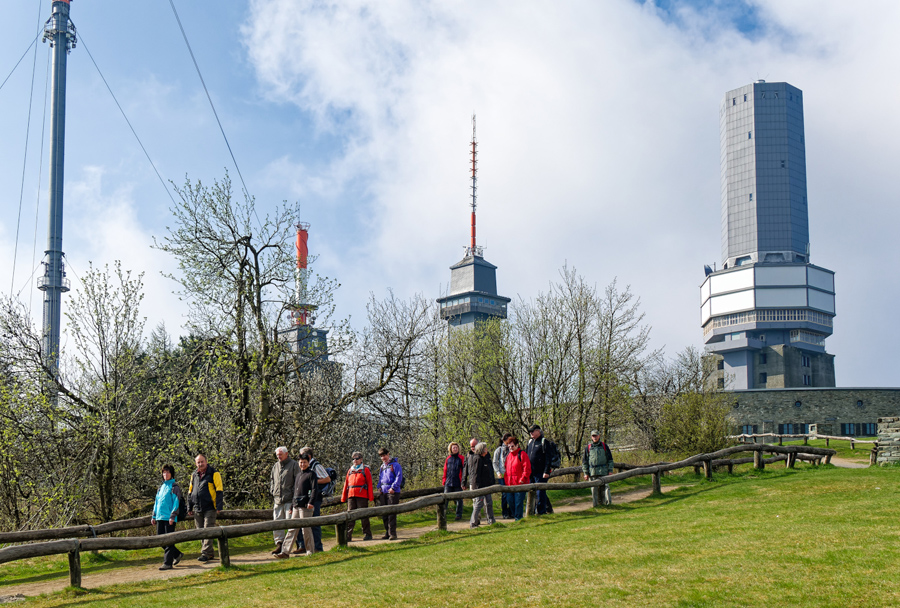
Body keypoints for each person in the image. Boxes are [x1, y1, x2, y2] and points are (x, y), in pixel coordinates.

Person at [274, 453, 320, 558]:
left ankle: (310, 551)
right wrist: (292, 506)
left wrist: (311, 502)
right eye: (301, 462)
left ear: (308, 463)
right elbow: (295, 491)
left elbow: (314, 489)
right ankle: (285, 552)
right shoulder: (299, 475)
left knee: (306, 529)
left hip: (306, 506)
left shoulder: (311, 474)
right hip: (296, 505)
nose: (302, 464)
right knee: (292, 529)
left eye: (304, 462)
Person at [187, 454, 224, 562]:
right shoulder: (194, 474)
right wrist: (189, 507)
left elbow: (219, 490)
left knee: (208, 530)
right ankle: (209, 553)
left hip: (210, 507)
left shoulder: (214, 473)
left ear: (206, 461)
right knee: (200, 532)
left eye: (202, 461)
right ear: (195, 463)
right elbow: (190, 491)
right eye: (198, 462)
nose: (200, 464)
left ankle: (206, 553)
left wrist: (218, 506)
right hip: (197, 507)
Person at [151, 464, 185, 570]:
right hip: (160, 517)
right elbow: (157, 503)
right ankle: (177, 554)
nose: (165, 474)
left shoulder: (174, 487)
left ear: (172, 474)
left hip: (169, 518)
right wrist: (154, 515)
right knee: (160, 539)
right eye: (164, 472)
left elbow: (176, 502)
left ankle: (167, 563)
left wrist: (172, 516)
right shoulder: (160, 488)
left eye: (168, 472)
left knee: (169, 540)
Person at [299, 446, 331, 553]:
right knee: (304, 523)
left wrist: (313, 482)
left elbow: (327, 478)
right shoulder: (305, 466)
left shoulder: (316, 466)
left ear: (308, 456)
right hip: (306, 498)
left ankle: (318, 547)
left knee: (315, 522)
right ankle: (305, 546)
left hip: (315, 498)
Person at [270, 446, 300, 555]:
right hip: (277, 499)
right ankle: (279, 544)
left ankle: (291, 545)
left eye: (280, 454)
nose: (278, 456)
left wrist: (294, 495)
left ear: (286, 454)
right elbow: (272, 480)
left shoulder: (294, 465)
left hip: (289, 500)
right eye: (277, 455)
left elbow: (298, 480)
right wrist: (273, 491)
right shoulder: (275, 466)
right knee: (277, 522)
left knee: (290, 522)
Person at [341, 451, 374, 542]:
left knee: (364, 515)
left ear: (361, 459)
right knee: (350, 516)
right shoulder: (350, 470)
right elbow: (346, 484)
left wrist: (371, 497)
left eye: (357, 458)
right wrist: (343, 497)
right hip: (351, 495)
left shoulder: (365, 469)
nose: (355, 460)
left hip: (362, 495)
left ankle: (367, 534)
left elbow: (370, 483)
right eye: (353, 459)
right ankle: (347, 536)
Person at [466, 442, 496, 527]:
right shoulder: (477, 459)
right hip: (479, 486)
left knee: (489, 503)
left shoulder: (485, 458)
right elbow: (475, 474)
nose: (487, 450)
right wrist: (477, 487)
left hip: (486, 485)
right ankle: (473, 522)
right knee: (478, 504)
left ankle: (491, 520)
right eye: (485, 448)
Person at [526, 424, 554, 515]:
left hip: (540, 472)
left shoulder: (544, 442)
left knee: (540, 492)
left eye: (533, 431)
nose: (531, 433)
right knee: (532, 492)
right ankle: (534, 510)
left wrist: (546, 471)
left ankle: (541, 511)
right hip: (531, 472)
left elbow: (548, 458)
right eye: (530, 431)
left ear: (538, 431)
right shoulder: (530, 442)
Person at [582, 430, 614, 507]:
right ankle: (595, 505)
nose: (595, 437)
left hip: (604, 471)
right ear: (591, 437)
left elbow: (610, 459)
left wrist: (610, 470)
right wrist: (586, 473)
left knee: (606, 488)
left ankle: (608, 504)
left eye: (596, 435)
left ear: (599, 436)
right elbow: (585, 462)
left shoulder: (604, 446)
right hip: (593, 472)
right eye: (593, 436)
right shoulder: (588, 448)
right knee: (594, 489)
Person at [377, 447, 403, 540]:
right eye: (381, 456)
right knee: (384, 514)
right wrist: (379, 487)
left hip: (392, 492)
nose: (383, 458)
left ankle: (393, 533)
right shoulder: (382, 466)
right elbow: (380, 478)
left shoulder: (395, 465)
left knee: (391, 514)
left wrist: (393, 488)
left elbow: (399, 477)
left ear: (388, 454)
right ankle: (387, 533)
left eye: (384, 455)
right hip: (383, 491)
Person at [504, 437, 531, 521]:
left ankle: (518, 518)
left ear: (517, 445)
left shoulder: (522, 454)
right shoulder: (508, 456)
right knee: (510, 501)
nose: (510, 448)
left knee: (518, 502)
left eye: (512, 446)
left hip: (520, 484)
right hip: (510, 484)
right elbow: (506, 469)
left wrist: (523, 479)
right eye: (509, 447)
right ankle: (516, 516)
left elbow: (526, 468)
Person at [442, 442, 465, 521]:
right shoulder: (448, 459)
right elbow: (445, 470)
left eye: (456, 447)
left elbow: (464, 471)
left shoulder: (461, 458)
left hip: (458, 482)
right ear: (451, 449)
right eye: (453, 448)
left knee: (459, 500)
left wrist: (463, 482)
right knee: (445, 499)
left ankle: (458, 515)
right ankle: (443, 514)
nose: (455, 449)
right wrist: (444, 480)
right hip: (448, 482)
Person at [492, 434, 512, 519]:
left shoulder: (512, 449)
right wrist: (497, 472)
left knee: (511, 493)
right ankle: (504, 512)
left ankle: (511, 511)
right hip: (502, 475)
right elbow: (495, 462)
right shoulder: (499, 450)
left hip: (511, 474)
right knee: (504, 494)